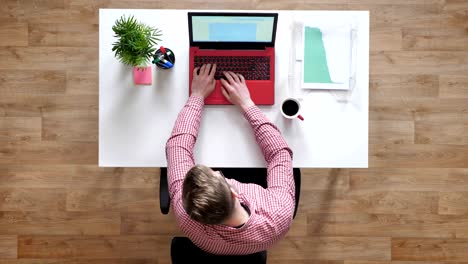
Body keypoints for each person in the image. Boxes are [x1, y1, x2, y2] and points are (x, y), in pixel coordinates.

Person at [165, 63, 295, 255]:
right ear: (234, 192)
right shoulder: (279, 214)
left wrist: (197, 96)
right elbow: (279, 154)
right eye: (218, 174)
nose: (217, 170)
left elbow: (176, 147)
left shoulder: (187, 216)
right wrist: (246, 103)